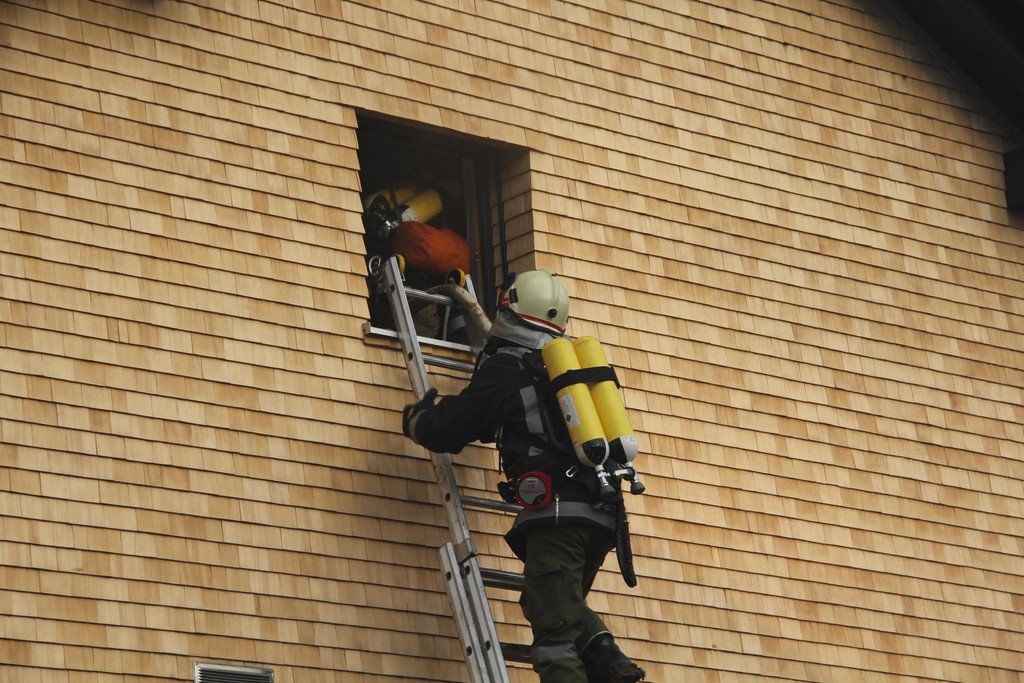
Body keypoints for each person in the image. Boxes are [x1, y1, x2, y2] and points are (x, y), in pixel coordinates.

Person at [402, 269, 646, 683]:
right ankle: (606, 657)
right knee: (546, 602)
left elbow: (453, 428)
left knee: (554, 640)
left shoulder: (507, 369)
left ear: (508, 307)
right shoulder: (564, 372)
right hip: (603, 517)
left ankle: (599, 661)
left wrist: (418, 420)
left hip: (557, 517)